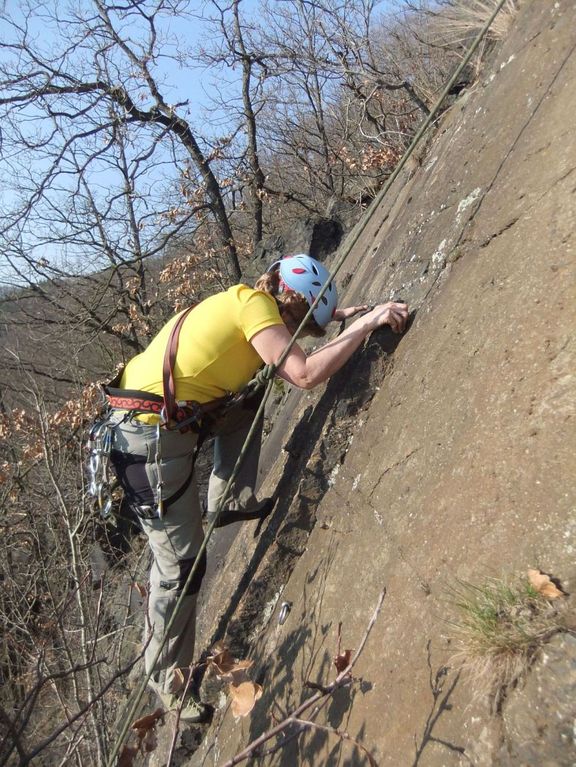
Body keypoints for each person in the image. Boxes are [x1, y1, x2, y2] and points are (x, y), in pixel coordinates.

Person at [106, 254, 408, 721]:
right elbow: (304, 374)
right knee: (181, 565)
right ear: (291, 303)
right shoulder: (256, 311)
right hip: (146, 446)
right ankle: (168, 682)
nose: (304, 332)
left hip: (151, 429)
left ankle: (230, 498)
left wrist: (345, 316)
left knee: (252, 390)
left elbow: (290, 340)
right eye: (306, 320)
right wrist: (367, 324)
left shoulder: (246, 302)